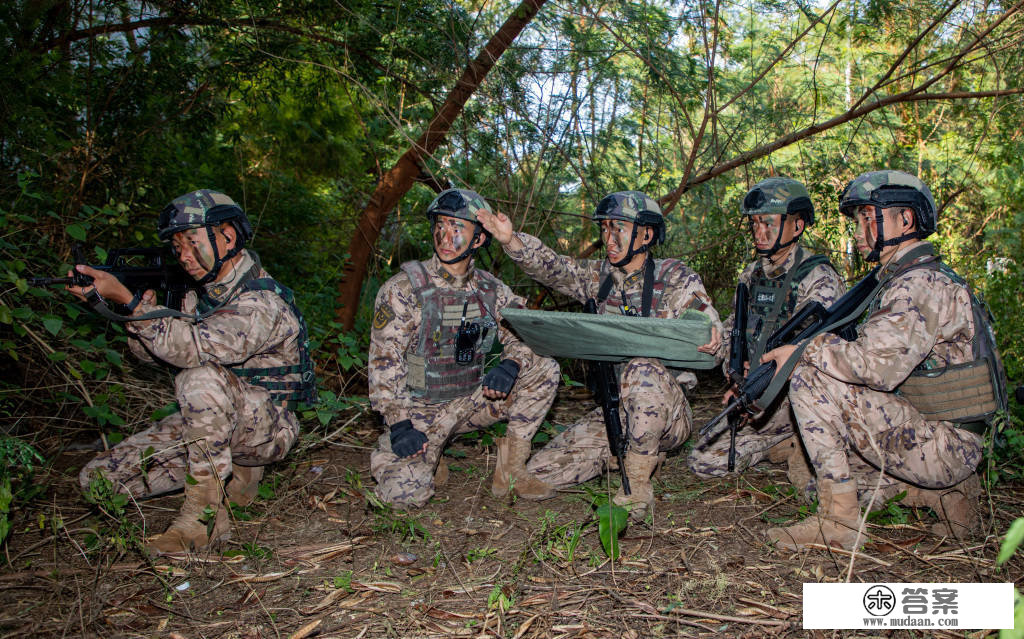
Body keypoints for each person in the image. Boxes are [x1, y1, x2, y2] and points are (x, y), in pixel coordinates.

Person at [762, 171, 1006, 550]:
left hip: (944, 443)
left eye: (866, 218)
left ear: (904, 220)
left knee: (809, 376)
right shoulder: (909, 277)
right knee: (813, 483)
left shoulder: (918, 284)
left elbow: (875, 368)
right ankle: (945, 496)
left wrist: (804, 349)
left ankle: (839, 524)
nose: (858, 232)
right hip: (944, 434)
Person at [73, 189, 315, 554]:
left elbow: (195, 351)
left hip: (268, 429)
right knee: (97, 481)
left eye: (191, 242)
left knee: (198, 377)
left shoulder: (262, 302)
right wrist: (138, 316)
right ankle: (231, 476)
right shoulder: (198, 296)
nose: (184, 256)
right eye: (177, 246)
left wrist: (133, 304)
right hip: (211, 424)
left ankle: (200, 523)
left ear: (228, 236)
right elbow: (154, 357)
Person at [478, 191, 722, 520]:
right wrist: (512, 241)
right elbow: (555, 269)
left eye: (619, 228)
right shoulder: (599, 277)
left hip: (668, 414)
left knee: (642, 367)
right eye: (605, 228)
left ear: (646, 234)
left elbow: (704, 318)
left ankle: (637, 484)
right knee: (540, 472)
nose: (609, 237)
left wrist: (712, 334)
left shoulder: (675, 277)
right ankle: (627, 454)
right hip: (616, 410)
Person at [368, 188, 560, 509]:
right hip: (419, 414)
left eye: (458, 228)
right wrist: (399, 424)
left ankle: (511, 470)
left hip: (473, 401)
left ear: (479, 239)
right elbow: (384, 364)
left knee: (544, 366)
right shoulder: (404, 289)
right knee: (402, 495)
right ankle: (430, 455)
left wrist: (511, 363)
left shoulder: (490, 289)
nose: (445, 235)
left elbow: (528, 330)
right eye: (441, 225)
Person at [688, 177, 845, 496]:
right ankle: (782, 445)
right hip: (757, 397)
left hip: (801, 399)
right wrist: (735, 374)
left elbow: (820, 350)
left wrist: (768, 382)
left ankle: (800, 440)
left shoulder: (818, 277)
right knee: (704, 461)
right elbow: (735, 329)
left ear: (797, 225)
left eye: (769, 223)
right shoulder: (751, 275)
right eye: (755, 223)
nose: (759, 232)